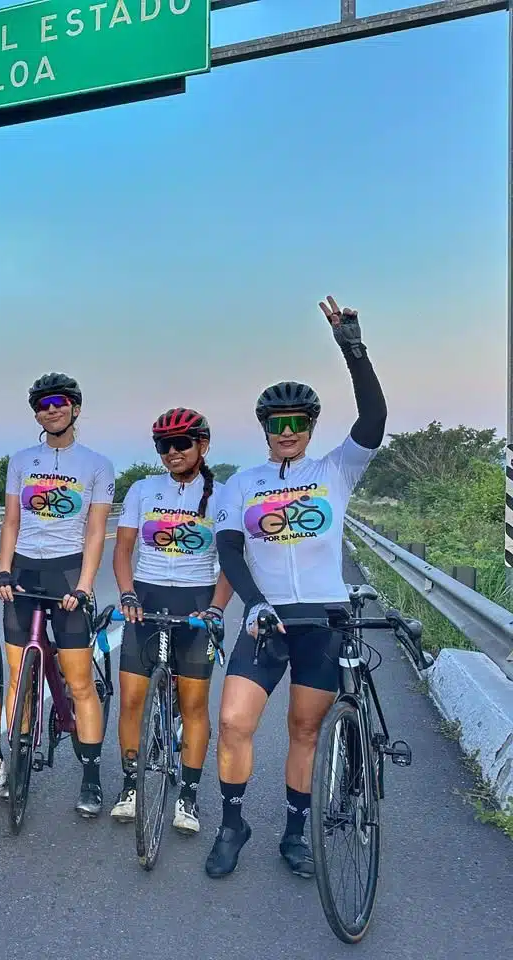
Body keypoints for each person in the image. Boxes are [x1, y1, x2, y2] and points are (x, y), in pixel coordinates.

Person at [207, 296, 386, 879]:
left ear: (309, 429)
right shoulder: (242, 483)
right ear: (265, 430)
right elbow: (230, 548)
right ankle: (232, 824)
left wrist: (352, 349)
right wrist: (254, 602)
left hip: (324, 620)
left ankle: (293, 834)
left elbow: (374, 419)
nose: (286, 432)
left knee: (305, 729)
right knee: (234, 722)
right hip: (267, 618)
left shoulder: (334, 470)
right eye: (276, 425)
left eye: (297, 424)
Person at [0, 374, 116, 815]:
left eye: (60, 402)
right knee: (16, 674)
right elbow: (10, 521)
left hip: (67, 574)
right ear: (37, 414)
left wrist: (84, 587)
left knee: (80, 683)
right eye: (43, 405)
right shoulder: (21, 460)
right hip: (25, 570)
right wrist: (4, 569)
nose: (52, 410)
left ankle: (91, 777)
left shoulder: (96, 464)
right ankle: (17, 759)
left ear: (76, 408)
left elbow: (97, 531)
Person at [110, 407, 232, 835]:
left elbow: (230, 562)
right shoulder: (143, 490)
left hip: (196, 601)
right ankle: (130, 787)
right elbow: (123, 550)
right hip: (146, 599)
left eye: (182, 443)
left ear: (203, 445)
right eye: (165, 445)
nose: (172, 452)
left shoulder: (223, 495)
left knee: (196, 705)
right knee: (131, 701)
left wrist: (215, 609)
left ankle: (189, 798)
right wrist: (127, 593)